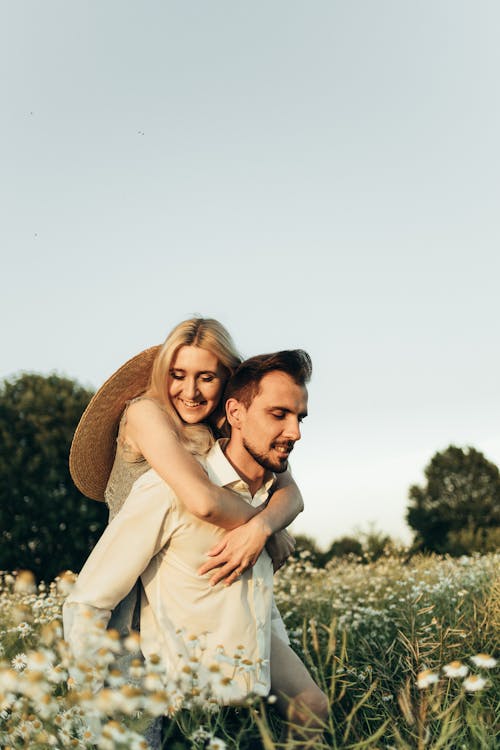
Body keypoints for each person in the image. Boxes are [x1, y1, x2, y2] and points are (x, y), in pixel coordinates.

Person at [63, 349, 328, 746]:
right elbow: (88, 599)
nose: (296, 432)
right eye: (279, 415)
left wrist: (265, 528)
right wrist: (82, 705)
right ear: (235, 413)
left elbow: (258, 597)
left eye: (299, 417)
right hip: (179, 691)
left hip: (239, 685)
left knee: (313, 705)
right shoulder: (168, 489)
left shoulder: (269, 500)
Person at [69, 318, 303, 623]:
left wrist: (265, 527)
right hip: (132, 586)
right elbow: (202, 501)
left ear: (226, 378)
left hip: (196, 594)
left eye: (206, 377)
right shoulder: (145, 413)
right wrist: (268, 529)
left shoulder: (225, 424)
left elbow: (292, 494)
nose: (190, 392)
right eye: (177, 375)